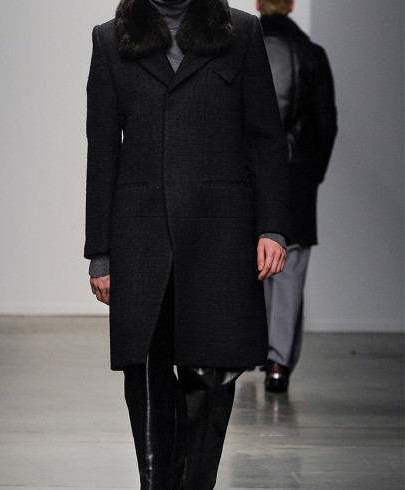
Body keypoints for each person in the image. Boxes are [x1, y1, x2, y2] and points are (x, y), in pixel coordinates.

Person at [85, 0, 290, 488]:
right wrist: (100, 252)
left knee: (213, 376)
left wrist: (273, 227)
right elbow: (102, 150)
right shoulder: (111, 39)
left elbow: (264, 136)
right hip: (140, 233)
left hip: (221, 232)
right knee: (147, 372)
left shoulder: (240, 32)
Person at [256, 0, 338, 393]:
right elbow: (326, 125)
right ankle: (277, 363)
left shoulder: (242, 49)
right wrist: (312, 175)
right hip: (297, 177)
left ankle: (250, 350)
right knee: (289, 269)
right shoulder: (312, 55)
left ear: (258, 3)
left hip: (250, 176)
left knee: (249, 263)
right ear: (290, 5)